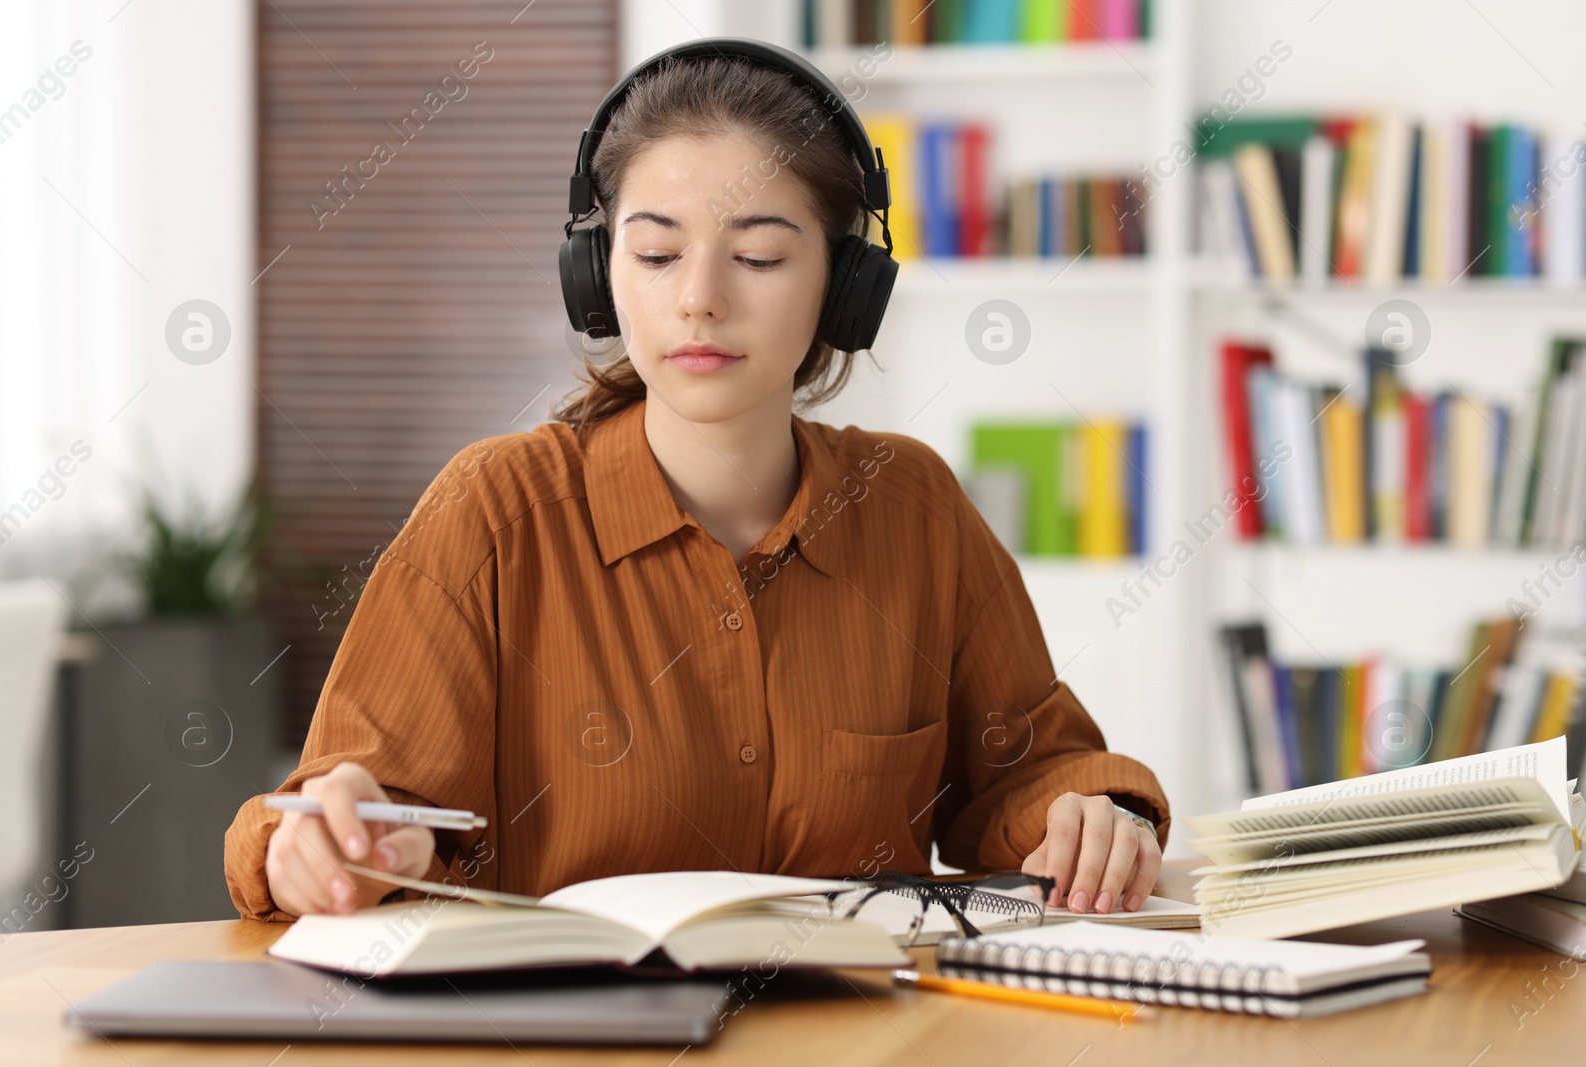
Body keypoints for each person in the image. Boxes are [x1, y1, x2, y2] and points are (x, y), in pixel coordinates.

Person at [223, 44, 1170, 924]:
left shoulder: (913, 508)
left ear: (845, 288)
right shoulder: (494, 515)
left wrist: (1088, 813)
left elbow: (1028, 772)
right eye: (656, 253)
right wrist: (315, 842)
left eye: (758, 256)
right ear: (598, 276)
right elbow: (351, 805)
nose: (700, 298)